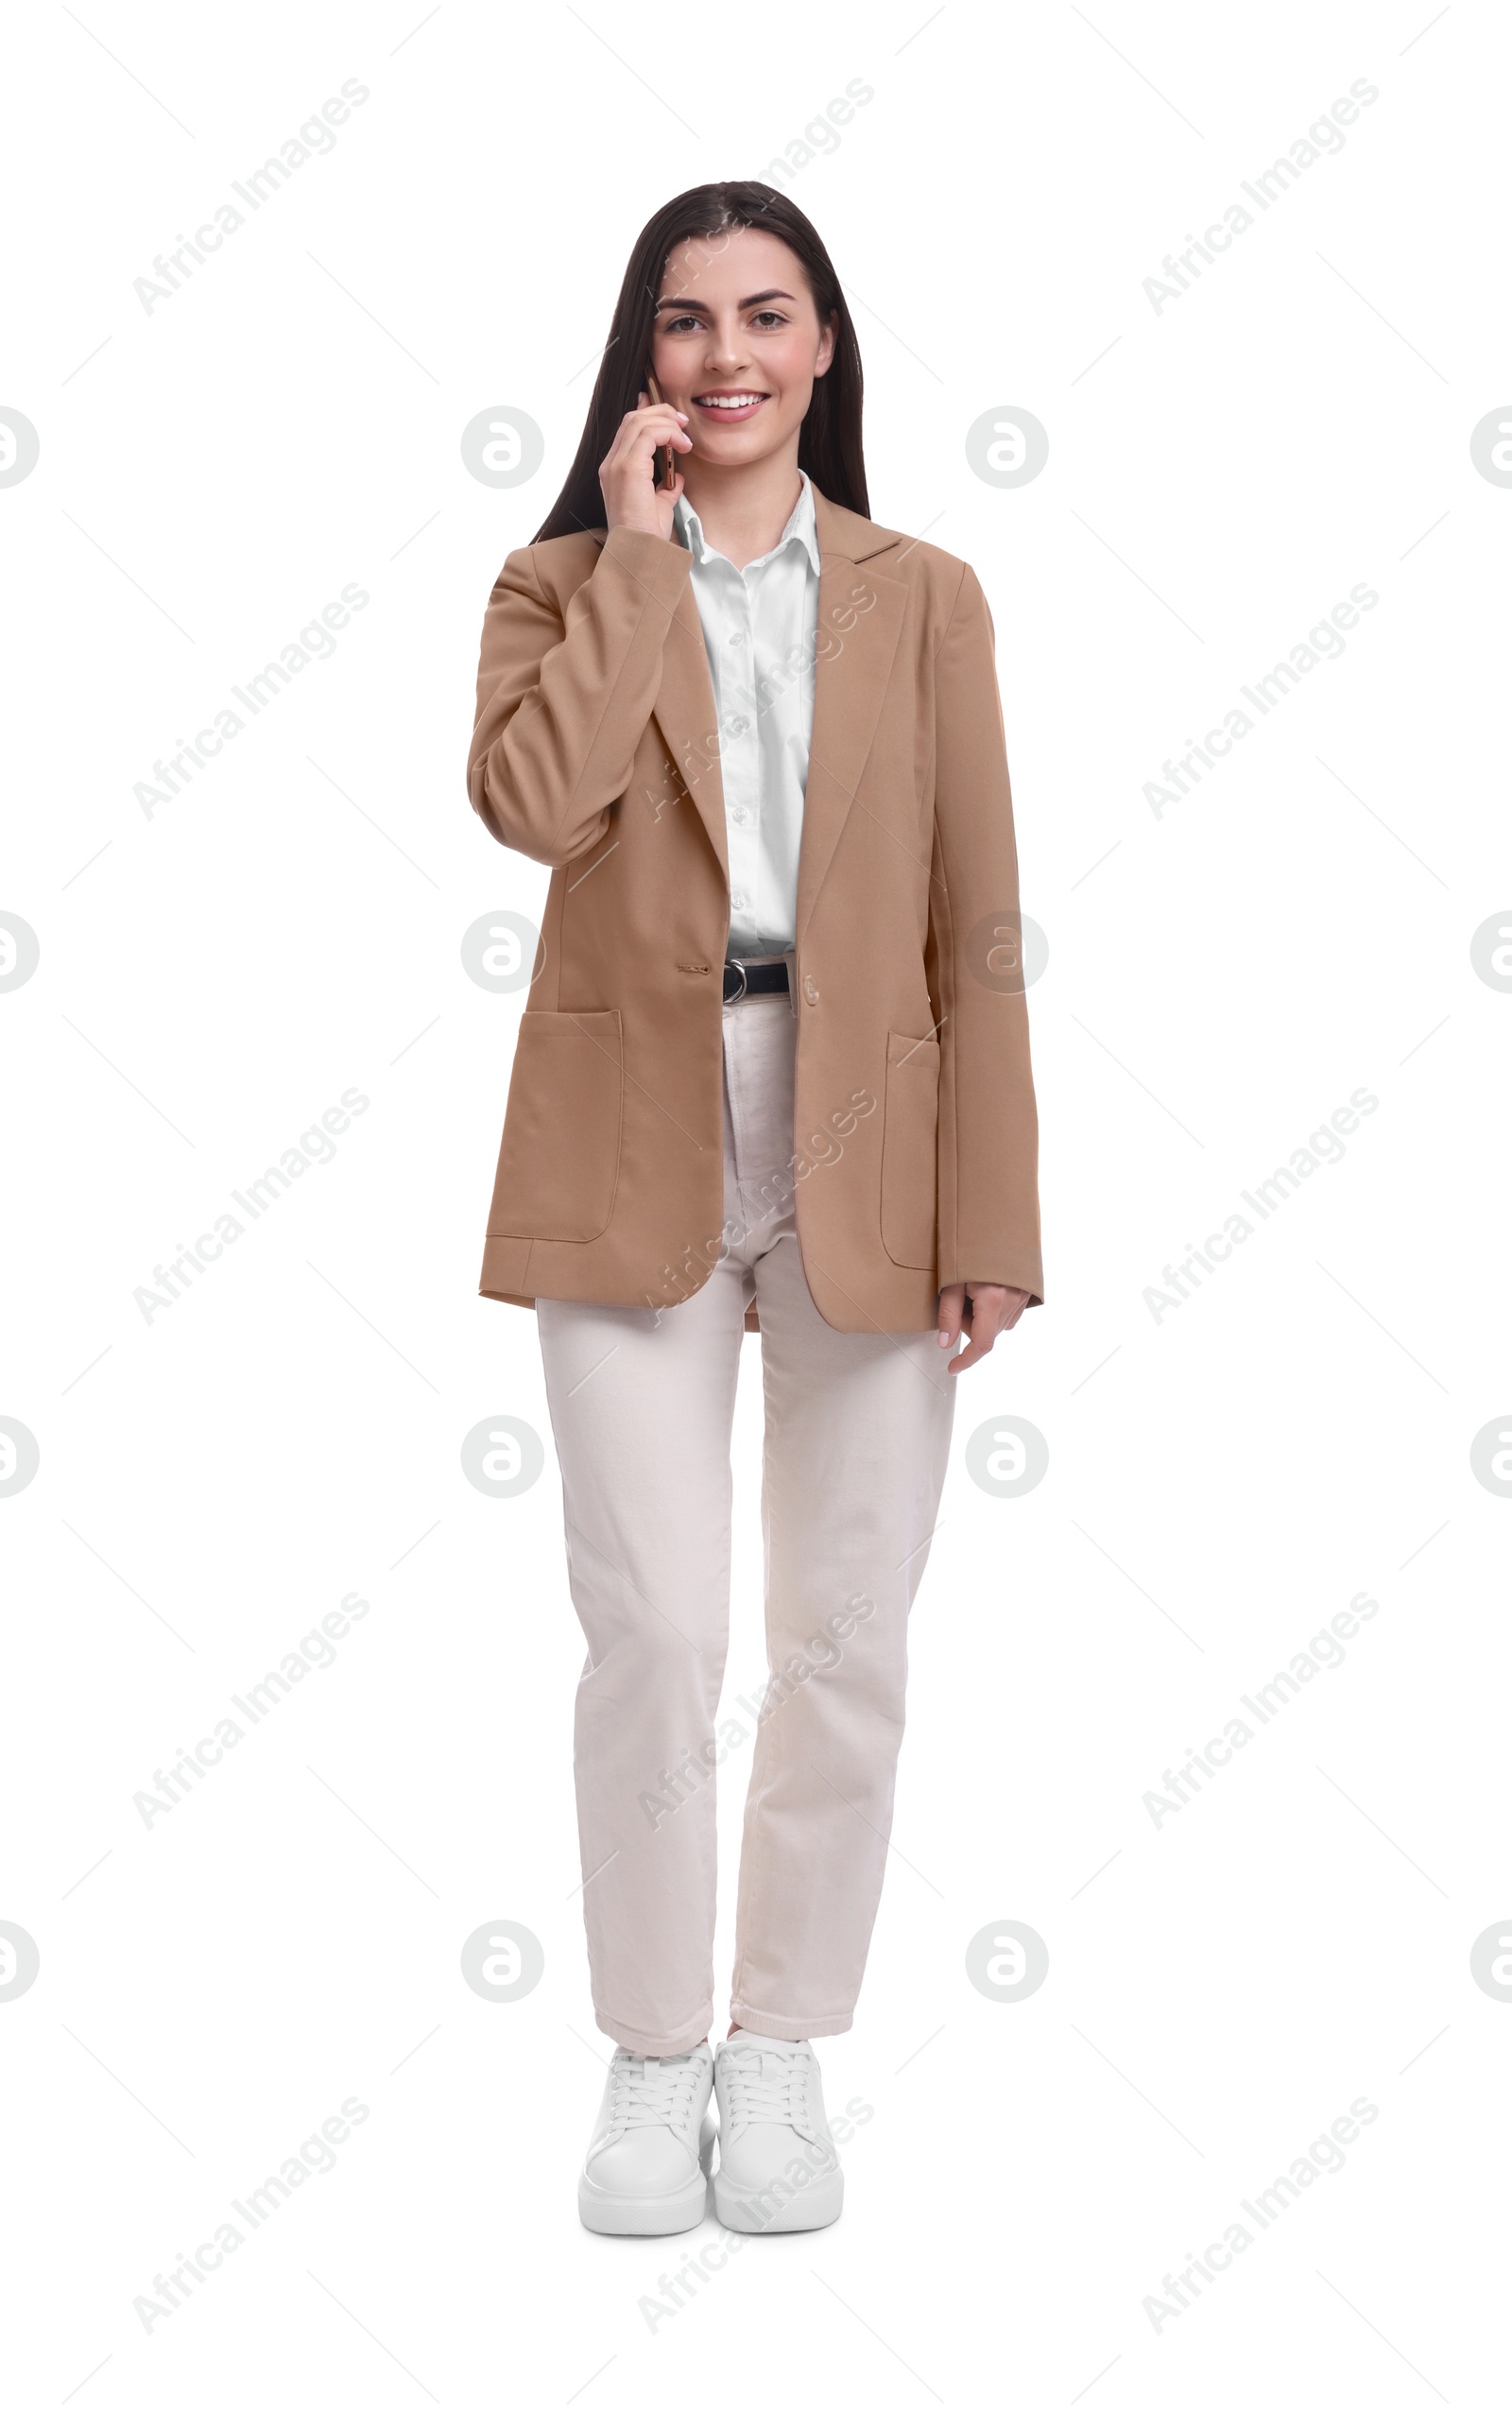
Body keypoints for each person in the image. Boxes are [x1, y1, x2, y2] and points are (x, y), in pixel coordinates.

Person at [465, 181, 1042, 2236]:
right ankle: (647, 2053)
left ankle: (778, 2048)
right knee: (652, 1626)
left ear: (821, 349)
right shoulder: (555, 584)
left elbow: (979, 926)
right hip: (632, 1124)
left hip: (873, 1123)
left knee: (841, 1631)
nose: (725, 357)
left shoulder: (925, 592)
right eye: (688, 320)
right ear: (645, 352)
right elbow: (535, 810)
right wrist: (633, 560)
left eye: (764, 317)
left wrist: (996, 1210)